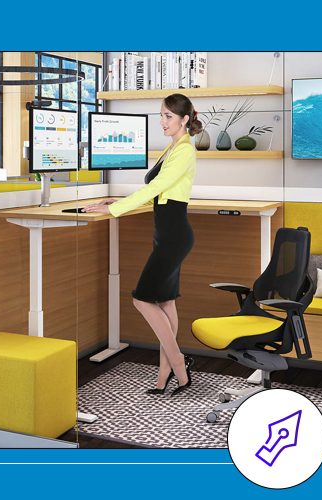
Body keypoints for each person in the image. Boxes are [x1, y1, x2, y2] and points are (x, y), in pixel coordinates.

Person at [83, 93, 203, 396]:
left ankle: (178, 362)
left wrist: (112, 209)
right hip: (167, 233)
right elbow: (154, 191)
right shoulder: (173, 146)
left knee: (141, 299)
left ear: (184, 120)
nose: (162, 122)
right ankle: (166, 374)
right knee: (165, 301)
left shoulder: (185, 151)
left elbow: (158, 187)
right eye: (161, 115)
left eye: (168, 117)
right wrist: (118, 201)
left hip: (174, 235)